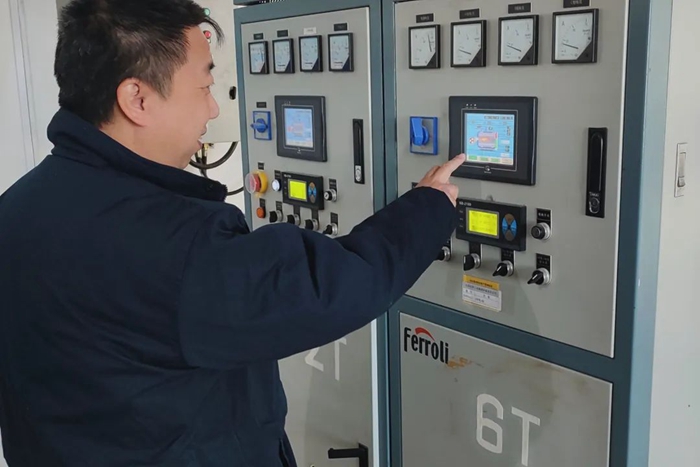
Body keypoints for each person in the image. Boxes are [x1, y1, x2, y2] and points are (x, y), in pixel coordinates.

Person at [0, 0, 464, 466]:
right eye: (204, 86)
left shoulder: (17, 207)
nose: (213, 107)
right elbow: (325, 289)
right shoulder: (174, 241)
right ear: (137, 99)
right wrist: (428, 207)